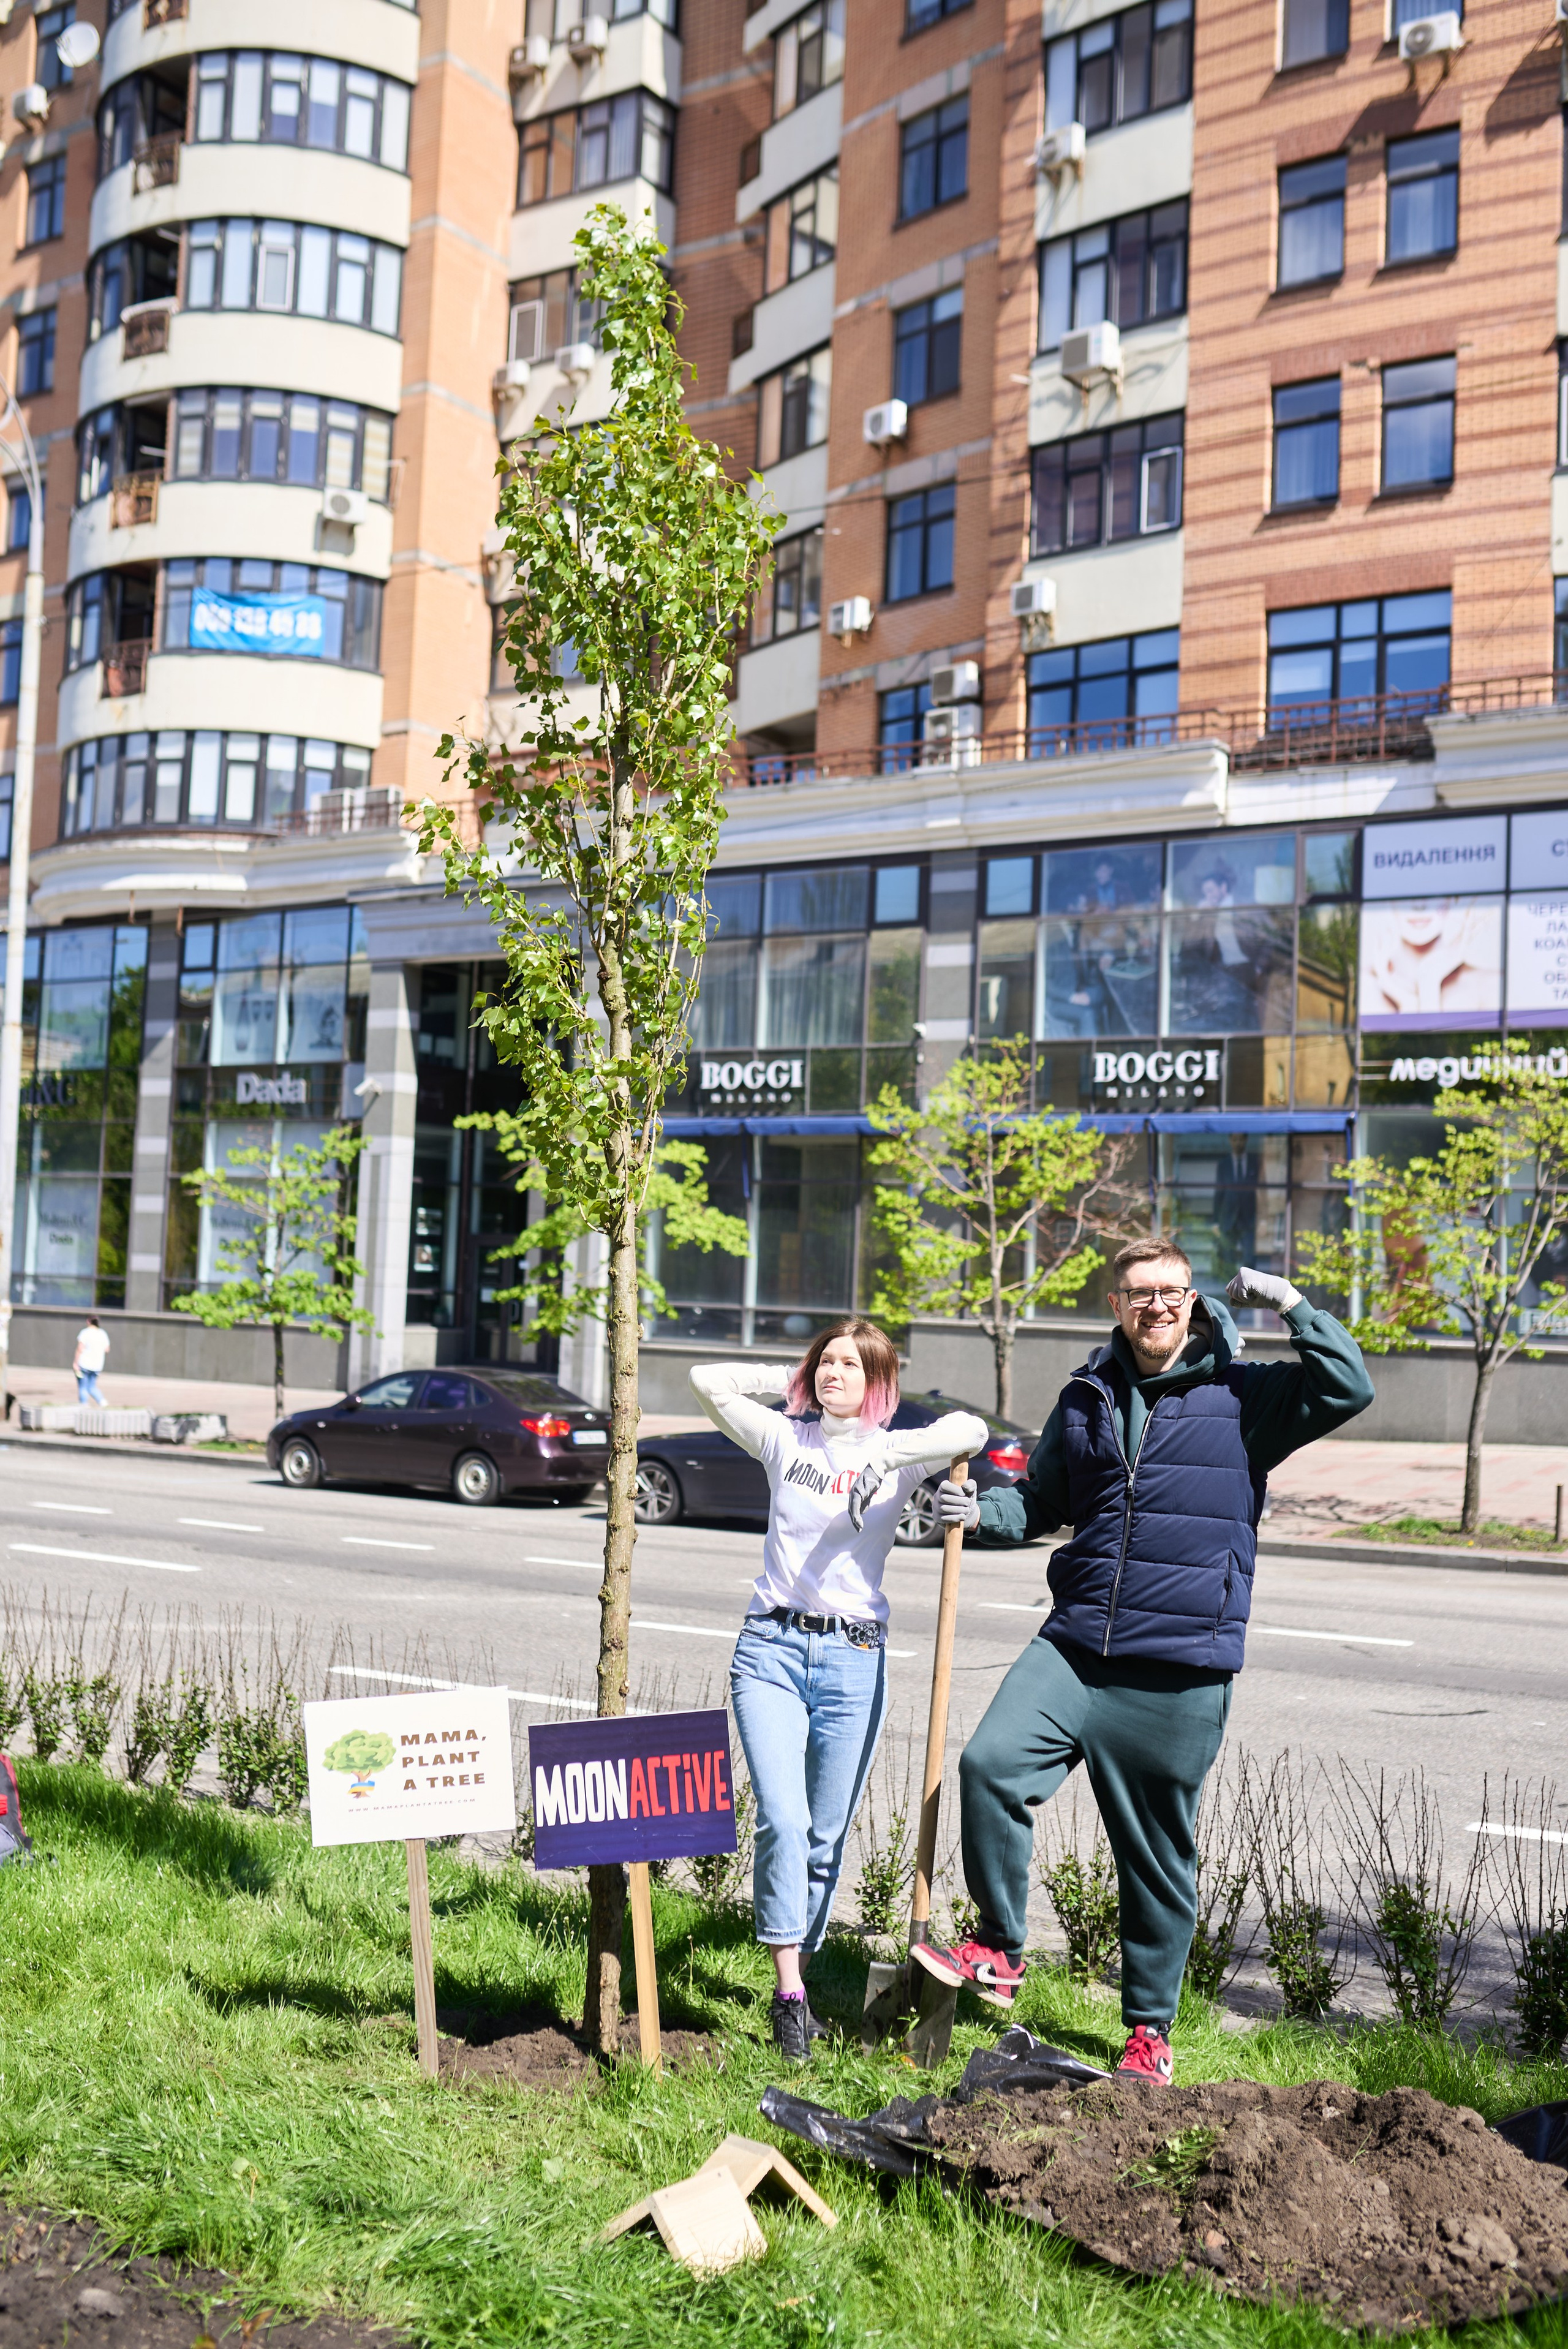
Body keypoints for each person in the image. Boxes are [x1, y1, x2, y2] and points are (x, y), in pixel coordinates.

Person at [913, 1238, 1373, 2086]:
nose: (1154, 1305)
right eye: (1137, 1292)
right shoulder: (1088, 1393)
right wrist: (976, 1510)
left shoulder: (1246, 1392)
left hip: (1179, 1662)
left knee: (1154, 1854)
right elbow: (1046, 1499)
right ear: (1116, 1303)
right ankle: (1002, 1946)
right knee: (988, 1765)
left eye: (1169, 1291)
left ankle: (1148, 2032)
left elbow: (1349, 1385)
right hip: (1077, 1641)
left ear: (1193, 1300)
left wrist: (1295, 1306)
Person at [691, 1322, 987, 2062]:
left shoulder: (899, 1458)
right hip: (771, 1650)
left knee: (825, 1836)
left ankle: (802, 1959)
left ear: (876, 1379)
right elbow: (705, 1380)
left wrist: (885, 1452)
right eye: (824, 1361)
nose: (832, 1372)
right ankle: (789, 1996)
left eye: (849, 1364)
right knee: (784, 1822)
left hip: (855, 1660)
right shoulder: (786, 1441)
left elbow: (972, 1428)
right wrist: (781, 1373)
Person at [73, 1316, 109, 1405]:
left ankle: (84, 1405)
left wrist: (75, 1363)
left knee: (83, 1387)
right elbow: (107, 1349)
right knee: (92, 1387)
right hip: (97, 1365)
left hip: (84, 1364)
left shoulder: (85, 1332)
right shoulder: (102, 1333)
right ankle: (103, 1402)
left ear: (88, 1321)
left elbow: (80, 1348)